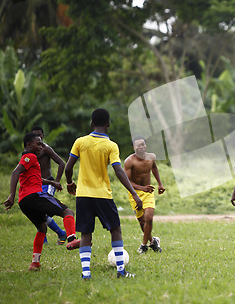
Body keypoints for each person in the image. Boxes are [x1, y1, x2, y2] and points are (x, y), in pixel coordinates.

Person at [65, 108, 143, 279]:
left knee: (86, 233)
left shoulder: (80, 142)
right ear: (108, 124)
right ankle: (121, 271)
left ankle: (86, 274)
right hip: (103, 195)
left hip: (83, 195)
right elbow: (119, 171)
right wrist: (134, 193)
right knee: (115, 229)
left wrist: (70, 182)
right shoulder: (111, 146)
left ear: (92, 123)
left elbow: (68, 167)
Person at [4, 133, 80, 271]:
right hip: (35, 196)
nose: (41, 146)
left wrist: (53, 183)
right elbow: (15, 173)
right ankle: (72, 240)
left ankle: (35, 263)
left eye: (42, 143)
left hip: (24, 202)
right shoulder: (30, 157)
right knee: (67, 211)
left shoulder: (29, 160)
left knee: (42, 228)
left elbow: (36, 179)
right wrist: (11, 195)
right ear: (28, 145)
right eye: (38, 144)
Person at [123, 137, 165, 254]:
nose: (140, 147)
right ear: (133, 148)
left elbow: (154, 168)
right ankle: (153, 241)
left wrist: (160, 184)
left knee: (149, 218)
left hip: (148, 192)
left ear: (145, 146)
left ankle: (143, 245)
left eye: (142, 145)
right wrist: (141, 188)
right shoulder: (129, 161)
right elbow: (127, 182)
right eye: (138, 145)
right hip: (134, 194)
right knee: (142, 223)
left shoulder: (151, 157)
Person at [32, 125, 68, 245]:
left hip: (48, 183)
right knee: (37, 211)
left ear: (43, 136)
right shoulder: (30, 150)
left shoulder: (46, 149)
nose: (38, 137)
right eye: (35, 135)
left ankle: (56, 235)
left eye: (40, 135)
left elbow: (61, 163)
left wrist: (56, 182)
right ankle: (55, 235)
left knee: (43, 211)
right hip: (36, 184)